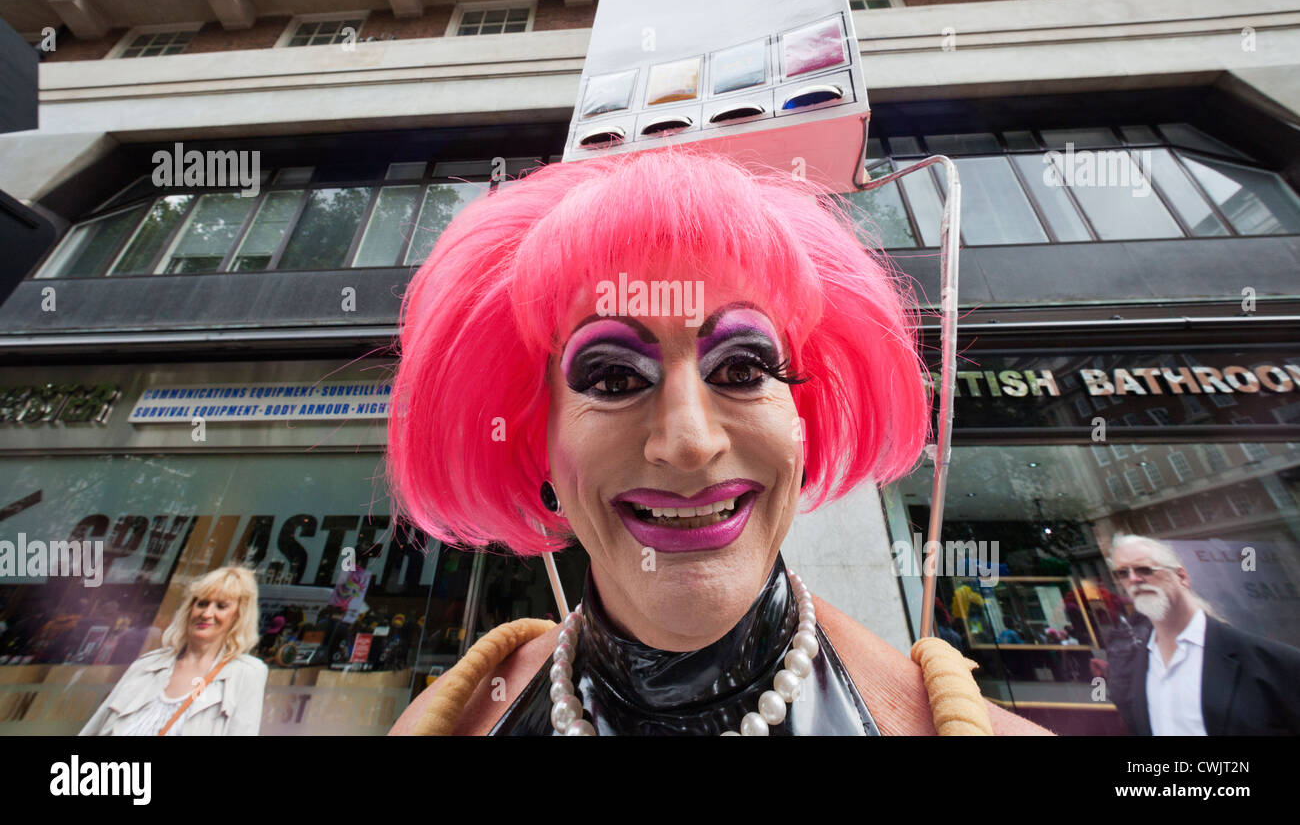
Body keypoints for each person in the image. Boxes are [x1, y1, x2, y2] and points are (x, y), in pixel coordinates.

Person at [385, 147, 1048, 736]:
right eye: (614, 377)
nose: (689, 443)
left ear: (802, 421)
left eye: (742, 370)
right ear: (539, 438)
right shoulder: (454, 718)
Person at [1102, 534, 1300, 735]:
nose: (1134, 579)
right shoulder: (1136, 662)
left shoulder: (1274, 661)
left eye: (1144, 569)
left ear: (1181, 576)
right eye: (1123, 573)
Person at [80, 566, 268, 736]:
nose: (207, 613)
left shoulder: (247, 674)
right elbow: (96, 727)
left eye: (221, 606)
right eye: (202, 603)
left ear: (238, 616)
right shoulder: (147, 665)